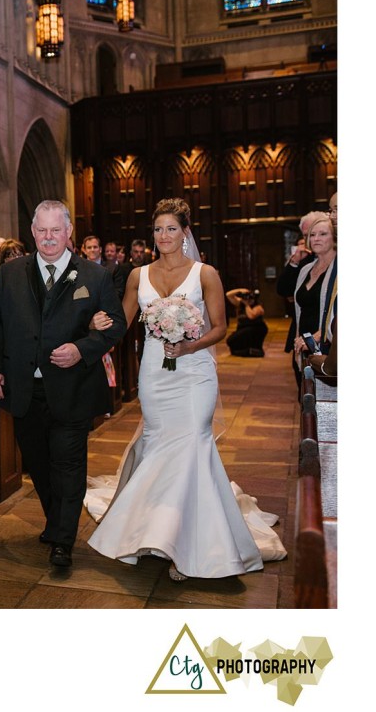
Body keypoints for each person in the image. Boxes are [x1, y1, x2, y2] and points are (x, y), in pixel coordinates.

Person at [85, 198, 287, 580]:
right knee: (161, 447)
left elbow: (219, 328)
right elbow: (122, 323)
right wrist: (98, 323)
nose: (164, 236)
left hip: (194, 374)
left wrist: (189, 345)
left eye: (171, 229)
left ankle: (186, 546)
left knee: (193, 443)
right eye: (158, 229)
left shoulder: (205, 273)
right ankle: (157, 533)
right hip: (155, 376)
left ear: (185, 233)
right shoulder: (137, 276)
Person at [0, 201, 125, 568]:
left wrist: (82, 349)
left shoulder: (94, 276)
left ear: (68, 233)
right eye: (42, 231)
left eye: (55, 231)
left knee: (68, 463)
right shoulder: (12, 272)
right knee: (38, 464)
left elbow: (117, 325)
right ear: (33, 232)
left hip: (73, 387)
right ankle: (55, 521)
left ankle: (62, 540)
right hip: (24, 387)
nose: (48, 238)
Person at [281, 214, 336, 388]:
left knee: (325, 404)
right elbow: (287, 294)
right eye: (312, 235)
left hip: (328, 347)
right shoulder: (306, 269)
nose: (316, 239)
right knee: (306, 401)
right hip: (303, 345)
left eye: (323, 234)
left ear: (335, 238)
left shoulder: (340, 268)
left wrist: (318, 337)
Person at [225, 287, 267, 357]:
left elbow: (251, 316)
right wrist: (240, 290)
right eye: (247, 298)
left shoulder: (258, 307)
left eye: (251, 298)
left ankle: (254, 351)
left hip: (256, 329)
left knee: (231, 340)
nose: (249, 300)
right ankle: (248, 351)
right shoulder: (240, 303)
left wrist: (247, 305)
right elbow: (228, 295)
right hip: (244, 329)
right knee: (233, 346)